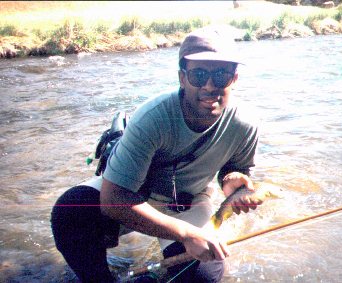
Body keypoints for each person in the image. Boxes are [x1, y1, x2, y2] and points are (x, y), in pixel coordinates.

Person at [51, 25, 261, 283]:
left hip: (188, 199)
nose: (209, 86)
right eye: (198, 75)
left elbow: (235, 169)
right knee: (70, 212)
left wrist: (233, 183)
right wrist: (186, 234)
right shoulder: (152, 118)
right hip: (135, 193)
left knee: (202, 277)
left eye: (220, 75)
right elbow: (112, 197)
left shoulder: (245, 124)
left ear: (234, 79)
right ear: (182, 78)